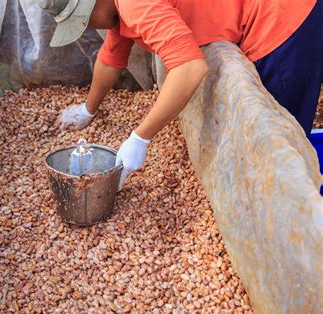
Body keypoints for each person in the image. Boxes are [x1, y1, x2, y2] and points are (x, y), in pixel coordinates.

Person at [39, 0, 322, 189]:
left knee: (278, 132)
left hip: (284, 14)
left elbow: (189, 67)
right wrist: (87, 110)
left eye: (85, 21)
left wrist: (139, 139)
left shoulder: (134, 3)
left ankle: (294, 212)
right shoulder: (120, 10)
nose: (91, 27)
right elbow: (110, 58)